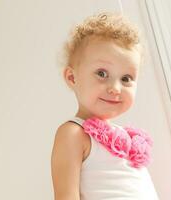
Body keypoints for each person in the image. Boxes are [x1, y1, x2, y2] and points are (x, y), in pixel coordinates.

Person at [50, 11, 160, 200]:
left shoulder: (126, 140)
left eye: (126, 78)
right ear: (72, 77)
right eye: (102, 73)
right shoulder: (74, 133)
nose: (115, 88)